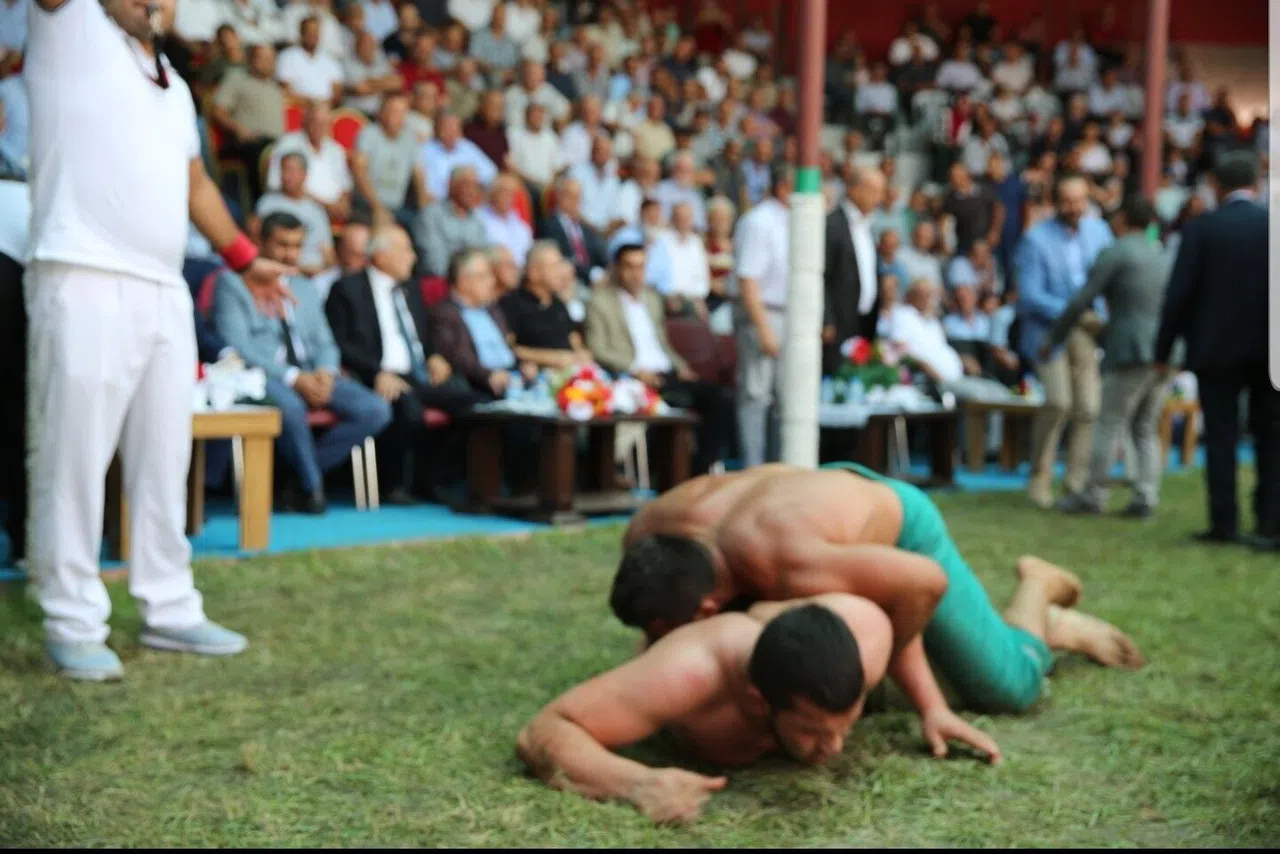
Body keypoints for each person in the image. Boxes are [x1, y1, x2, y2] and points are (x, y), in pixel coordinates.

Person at [24, 0, 291, 681]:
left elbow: (194, 181)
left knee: (165, 456)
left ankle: (170, 606)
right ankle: (72, 617)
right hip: (82, 271)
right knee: (73, 457)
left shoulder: (170, 78)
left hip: (164, 286)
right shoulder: (70, 26)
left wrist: (242, 256)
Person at [612, 465, 1145, 716]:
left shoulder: (788, 563)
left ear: (708, 605)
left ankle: (1039, 601)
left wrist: (898, 681)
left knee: (1007, 687)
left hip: (895, 519)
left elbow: (921, 581)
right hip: (806, 504)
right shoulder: (646, 530)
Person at [518, 594, 997, 826]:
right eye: (812, 731)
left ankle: (1043, 608)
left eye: (845, 726)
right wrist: (637, 783)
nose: (834, 748)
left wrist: (930, 706)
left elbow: (901, 622)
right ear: (757, 701)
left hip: (814, 621)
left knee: (1004, 678)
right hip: (723, 626)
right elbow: (545, 729)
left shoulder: (868, 637)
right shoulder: (690, 673)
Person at [214, 212, 392, 514]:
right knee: (291, 408)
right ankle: (312, 490)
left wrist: (325, 372)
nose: (290, 253)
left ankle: (297, 478)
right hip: (261, 376)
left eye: (297, 246)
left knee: (376, 409)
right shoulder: (233, 284)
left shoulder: (305, 287)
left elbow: (325, 342)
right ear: (261, 242)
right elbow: (238, 348)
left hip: (313, 373)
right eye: (282, 244)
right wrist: (295, 379)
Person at [1155, 152, 1278, 550]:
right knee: (1272, 437)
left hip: (1217, 351)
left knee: (1221, 436)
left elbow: (1179, 296)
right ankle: (1270, 521)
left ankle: (1224, 522)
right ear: (1256, 184)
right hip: (1269, 350)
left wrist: (1163, 349)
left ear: (1217, 186)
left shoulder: (1202, 229)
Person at [325, 225, 484, 504]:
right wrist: (377, 373)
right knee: (408, 408)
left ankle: (432, 477)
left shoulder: (411, 288)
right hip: (375, 375)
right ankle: (394, 485)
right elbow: (340, 343)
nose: (413, 257)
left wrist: (435, 355)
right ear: (382, 255)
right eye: (406, 250)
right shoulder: (347, 288)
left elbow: (423, 334)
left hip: (417, 374)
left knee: (474, 404)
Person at [1043, 197, 1172, 518]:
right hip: (1166, 351)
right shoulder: (1163, 255)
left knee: (1108, 421)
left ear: (1122, 219)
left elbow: (1081, 300)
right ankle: (1146, 496)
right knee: (1145, 426)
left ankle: (1093, 494)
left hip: (1131, 349)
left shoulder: (1117, 252)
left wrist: (1053, 339)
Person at [586, 243, 735, 476]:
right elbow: (598, 348)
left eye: (641, 267)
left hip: (666, 373)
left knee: (721, 398)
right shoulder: (600, 301)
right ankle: (677, 472)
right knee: (681, 402)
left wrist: (682, 366)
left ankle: (699, 469)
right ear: (616, 268)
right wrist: (635, 370)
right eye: (629, 267)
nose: (636, 274)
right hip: (633, 378)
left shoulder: (651, 299)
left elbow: (662, 344)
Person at [1015, 175, 1114, 509]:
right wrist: (1073, 312)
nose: (1074, 208)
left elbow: (1108, 277)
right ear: (1055, 202)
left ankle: (1075, 483)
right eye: (1068, 201)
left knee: (1089, 408)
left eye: (1080, 200)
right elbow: (1029, 296)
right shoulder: (1035, 240)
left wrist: (1099, 314)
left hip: (1087, 331)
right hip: (1048, 331)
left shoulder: (1099, 232)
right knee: (1058, 403)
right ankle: (1039, 478)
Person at [733, 168, 791, 469]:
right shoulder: (759, 221)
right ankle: (753, 468)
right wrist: (763, 328)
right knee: (756, 395)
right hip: (764, 312)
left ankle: (780, 468)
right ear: (783, 188)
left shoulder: (794, 222)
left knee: (786, 399)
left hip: (791, 314)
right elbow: (748, 279)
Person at [823, 164, 885, 374]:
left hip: (863, 321)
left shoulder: (868, 226)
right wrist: (826, 319)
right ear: (854, 189)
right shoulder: (832, 224)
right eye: (874, 191)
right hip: (837, 324)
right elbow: (823, 275)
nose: (879, 198)